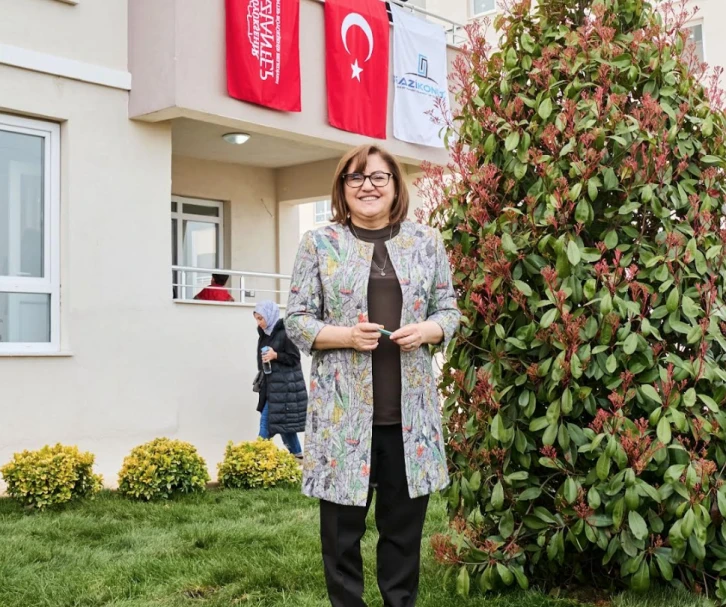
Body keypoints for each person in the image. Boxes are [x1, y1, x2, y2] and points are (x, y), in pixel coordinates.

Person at [285, 144, 461, 607]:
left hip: (409, 421)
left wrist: (427, 330)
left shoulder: (426, 242)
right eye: (356, 178)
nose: (368, 186)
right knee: (341, 537)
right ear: (342, 188)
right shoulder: (319, 243)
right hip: (343, 419)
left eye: (379, 177)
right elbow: (297, 321)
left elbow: (449, 311)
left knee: (402, 535)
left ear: (395, 186)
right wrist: (345, 335)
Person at [254, 300, 306, 460]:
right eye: (256, 319)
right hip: (270, 387)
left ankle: (256, 459)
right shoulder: (264, 334)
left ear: (270, 315)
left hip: (285, 390)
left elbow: (295, 358)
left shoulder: (285, 333)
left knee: (266, 423)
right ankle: (298, 457)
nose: (259, 322)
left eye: (261, 318)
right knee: (285, 427)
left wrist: (275, 355)